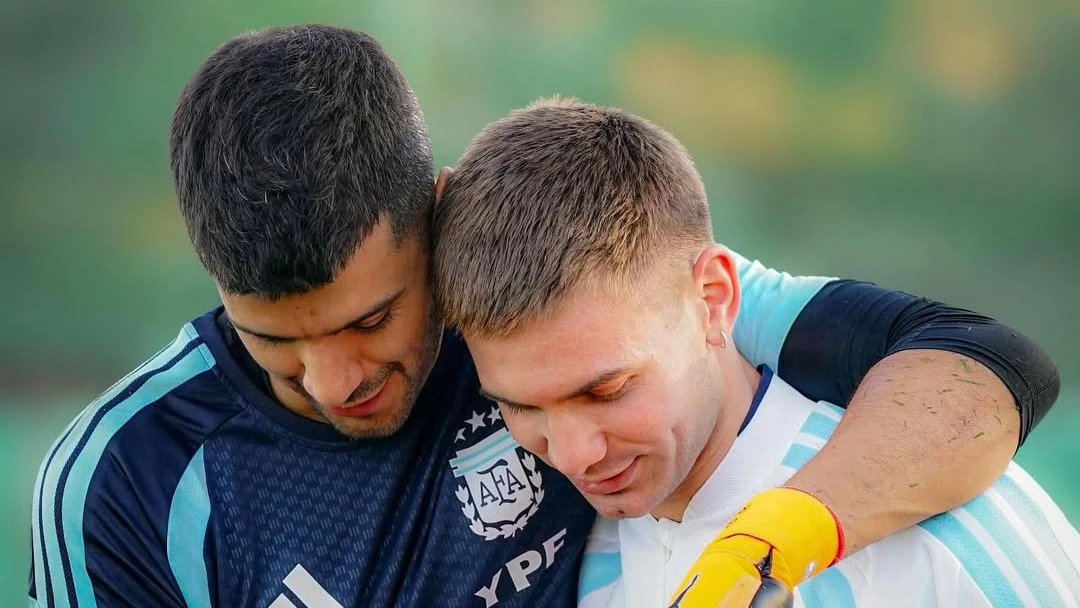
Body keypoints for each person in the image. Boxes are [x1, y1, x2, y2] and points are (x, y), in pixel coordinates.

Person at [29, 25, 1058, 608]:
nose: (338, 376)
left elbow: (975, 358)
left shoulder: (563, 298)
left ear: (431, 214)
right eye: (275, 342)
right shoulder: (120, 479)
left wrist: (779, 535)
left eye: (373, 317)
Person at [430, 97, 1079, 607]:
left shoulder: (935, 539)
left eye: (606, 390)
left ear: (712, 297)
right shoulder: (593, 552)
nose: (573, 456)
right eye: (521, 408)